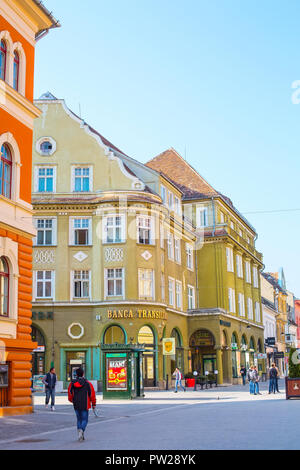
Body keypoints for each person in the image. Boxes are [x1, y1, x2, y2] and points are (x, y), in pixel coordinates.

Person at [68, 367, 96, 441]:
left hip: (76, 404)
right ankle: (82, 430)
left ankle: (80, 432)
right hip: (85, 404)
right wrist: (93, 404)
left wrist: (72, 400)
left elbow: (70, 394)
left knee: (79, 419)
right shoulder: (87, 383)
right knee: (85, 420)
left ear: (76, 374)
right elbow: (92, 394)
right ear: (83, 374)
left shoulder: (72, 383)